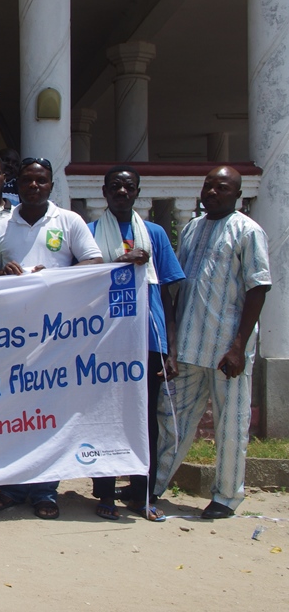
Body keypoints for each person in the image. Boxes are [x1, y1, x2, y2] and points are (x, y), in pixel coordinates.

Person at [0, 157, 103, 519]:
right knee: (12, 412)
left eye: (41, 181)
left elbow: (94, 263)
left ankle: (46, 490)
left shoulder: (69, 221)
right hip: (12, 337)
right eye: (27, 180)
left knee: (48, 412)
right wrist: (2, 273)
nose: (34, 186)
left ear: (51, 185)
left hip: (57, 336)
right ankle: (12, 486)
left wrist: (52, 276)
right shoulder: (1, 227)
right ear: (15, 185)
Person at [154, 166, 270, 519]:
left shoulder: (248, 231)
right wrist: (171, 348)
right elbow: (174, 286)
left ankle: (226, 497)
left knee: (230, 425)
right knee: (170, 419)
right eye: (208, 186)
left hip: (226, 351)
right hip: (188, 346)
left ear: (237, 194)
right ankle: (153, 485)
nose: (212, 192)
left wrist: (238, 346)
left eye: (222, 188)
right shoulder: (191, 228)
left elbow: (258, 287)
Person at [86, 165, 184, 522]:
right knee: (106, 417)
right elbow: (80, 283)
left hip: (148, 338)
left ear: (137, 192)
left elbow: (168, 295)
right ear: (105, 191)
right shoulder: (91, 232)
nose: (122, 193)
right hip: (105, 340)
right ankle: (106, 493)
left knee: (146, 419)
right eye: (115, 187)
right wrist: (116, 264)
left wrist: (171, 352)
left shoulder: (154, 234)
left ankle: (145, 494)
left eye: (128, 187)